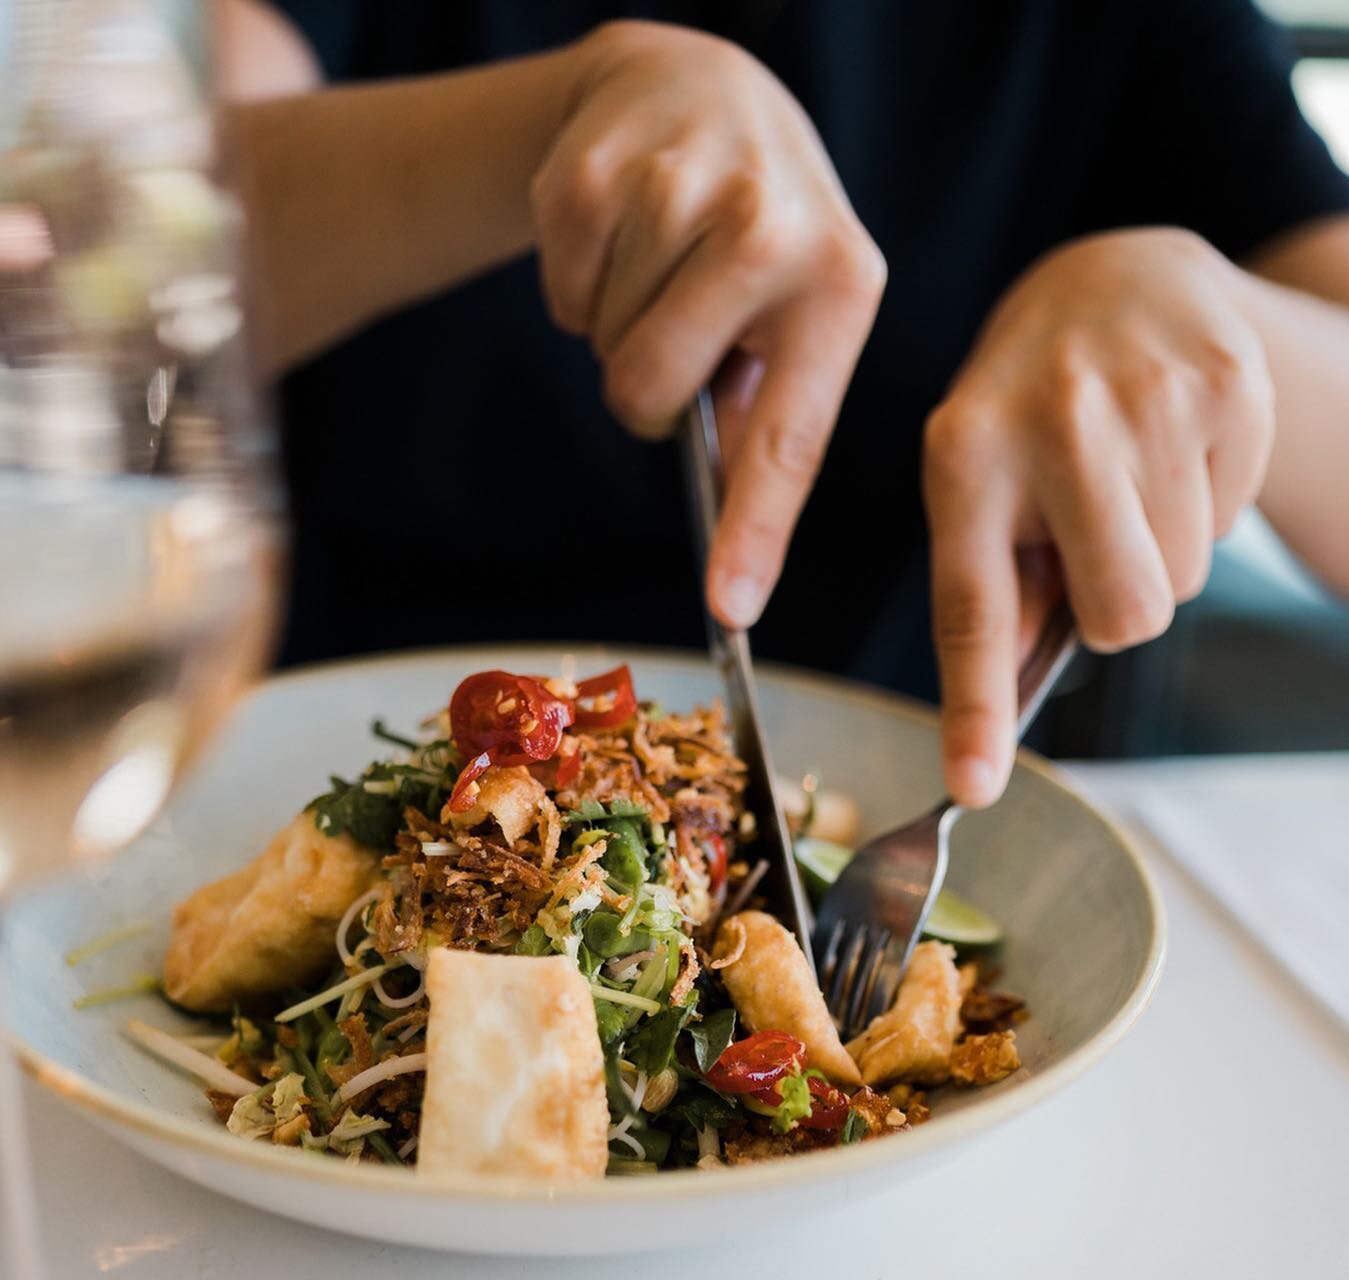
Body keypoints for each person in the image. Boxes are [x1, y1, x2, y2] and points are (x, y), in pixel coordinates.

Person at [217, 0, 1349, 808]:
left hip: (898, 811)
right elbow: (90, 261)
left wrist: (1234, 334)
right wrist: (541, 123)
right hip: (281, 774)